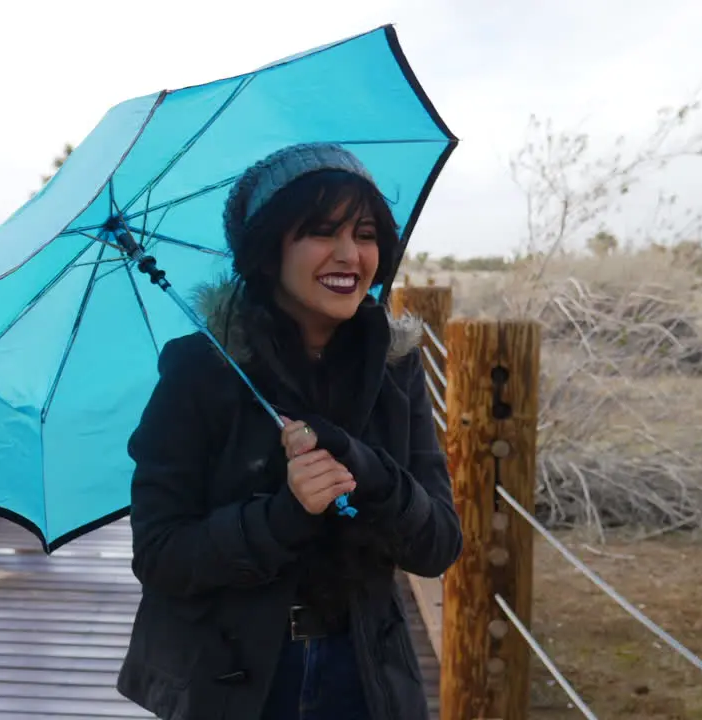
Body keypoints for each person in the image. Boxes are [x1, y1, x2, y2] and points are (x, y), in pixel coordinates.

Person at [115, 142, 463, 720]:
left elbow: (438, 546)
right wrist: (285, 514)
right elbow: (160, 555)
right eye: (323, 231)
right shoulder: (203, 372)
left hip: (366, 678)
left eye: (367, 233)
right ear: (268, 247)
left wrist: (367, 470)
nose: (351, 254)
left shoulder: (395, 368)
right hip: (234, 683)